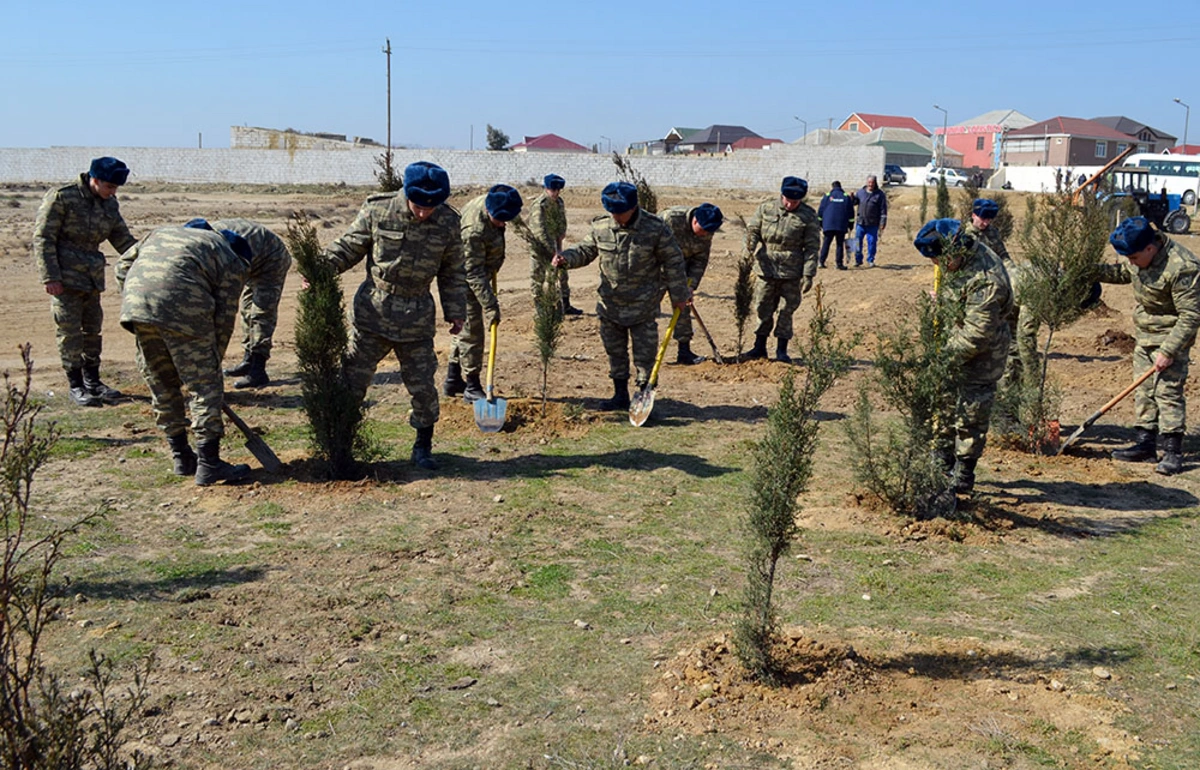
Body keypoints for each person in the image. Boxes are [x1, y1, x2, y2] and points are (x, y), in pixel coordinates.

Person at [321, 161, 467, 471]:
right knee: (351, 383)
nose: (424, 212)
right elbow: (350, 245)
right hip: (373, 313)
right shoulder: (379, 209)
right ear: (406, 193)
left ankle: (423, 446)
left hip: (416, 318)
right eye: (419, 205)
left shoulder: (449, 222)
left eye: (432, 206)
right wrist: (321, 268)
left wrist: (456, 312)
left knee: (423, 387)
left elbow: (452, 272)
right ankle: (342, 445)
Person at [115, 222, 253, 486]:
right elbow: (224, 317)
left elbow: (122, 267)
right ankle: (209, 465)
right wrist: (210, 364)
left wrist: (137, 303)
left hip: (138, 307)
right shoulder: (230, 258)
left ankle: (181, 456)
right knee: (204, 387)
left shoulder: (161, 232)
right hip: (184, 307)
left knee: (162, 381)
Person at [551, 181, 691, 411]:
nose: (616, 217)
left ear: (633, 207)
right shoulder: (602, 226)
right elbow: (585, 251)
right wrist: (566, 258)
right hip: (610, 305)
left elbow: (673, 261)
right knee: (615, 352)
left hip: (643, 305)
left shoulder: (655, 228)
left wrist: (679, 294)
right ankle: (619, 395)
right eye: (612, 212)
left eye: (620, 212)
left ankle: (645, 394)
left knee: (645, 355)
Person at [913, 218, 1013, 494]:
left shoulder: (986, 281)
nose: (937, 267)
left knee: (972, 409)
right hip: (954, 338)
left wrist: (941, 360)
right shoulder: (959, 258)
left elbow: (976, 335)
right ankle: (941, 459)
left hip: (985, 352)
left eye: (939, 261)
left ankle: (964, 471)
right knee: (943, 401)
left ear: (955, 252)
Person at [1097, 216, 1200, 475]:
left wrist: (1168, 351)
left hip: (1171, 336)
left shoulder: (1182, 267)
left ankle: (1172, 452)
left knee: (1167, 392)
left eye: (1133, 257)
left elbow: (1191, 316)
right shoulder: (1139, 256)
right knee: (1144, 391)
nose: (1131, 263)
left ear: (1150, 248)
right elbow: (1123, 273)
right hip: (1144, 335)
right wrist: (1088, 270)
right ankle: (1145, 445)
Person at [33, 156, 138, 407]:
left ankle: (93, 382)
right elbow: (44, 238)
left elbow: (122, 240)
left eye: (115, 188)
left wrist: (148, 257)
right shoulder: (62, 198)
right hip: (65, 278)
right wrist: (50, 277)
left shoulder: (109, 205)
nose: (112, 192)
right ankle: (76, 385)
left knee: (93, 331)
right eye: (109, 187)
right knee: (69, 333)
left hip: (91, 277)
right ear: (95, 179)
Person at [443, 184, 523, 402]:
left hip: (478, 273)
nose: (503, 224)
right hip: (464, 279)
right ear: (489, 211)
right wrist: (490, 305)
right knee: (472, 331)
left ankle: (452, 379)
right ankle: (472, 385)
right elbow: (473, 273)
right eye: (499, 219)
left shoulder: (493, 202)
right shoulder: (474, 231)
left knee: (465, 330)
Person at [741, 176, 821, 363]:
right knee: (762, 307)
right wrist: (749, 249)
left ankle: (781, 351)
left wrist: (808, 274)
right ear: (781, 195)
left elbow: (812, 247)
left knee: (786, 310)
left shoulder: (808, 216)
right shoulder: (766, 208)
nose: (790, 204)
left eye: (795, 201)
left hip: (791, 272)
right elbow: (753, 230)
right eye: (787, 199)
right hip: (766, 268)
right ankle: (759, 347)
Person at [211, 218, 292, 389]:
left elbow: (225, 304)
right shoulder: (206, 241)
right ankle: (248, 360)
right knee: (247, 310)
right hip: (251, 258)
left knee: (261, 313)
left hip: (271, 259)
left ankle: (258, 370)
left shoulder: (218, 248)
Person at [661, 202, 723, 365]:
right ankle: (645, 351)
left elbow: (700, 260)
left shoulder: (707, 230)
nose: (705, 235)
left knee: (682, 308)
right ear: (695, 221)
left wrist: (691, 285)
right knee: (647, 310)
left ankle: (684, 351)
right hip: (657, 269)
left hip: (682, 271)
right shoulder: (671, 220)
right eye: (703, 230)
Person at [528, 174, 581, 315]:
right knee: (538, 278)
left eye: (558, 190)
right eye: (553, 190)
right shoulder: (540, 205)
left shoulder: (559, 202)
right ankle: (541, 309)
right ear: (546, 188)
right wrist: (552, 253)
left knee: (562, 275)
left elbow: (562, 224)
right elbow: (539, 233)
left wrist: (559, 245)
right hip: (540, 248)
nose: (556, 193)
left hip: (555, 246)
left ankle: (566, 305)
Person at [853, 174, 888, 267]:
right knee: (857, 242)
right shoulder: (860, 192)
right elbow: (855, 203)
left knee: (872, 242)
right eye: (869, 182)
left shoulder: (880, 195)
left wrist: (883, 222)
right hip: (860, 223)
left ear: (875, 183)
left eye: (872, 183)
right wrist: (852, 198)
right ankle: (858, 259)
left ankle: (870, 260)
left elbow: (883, 210)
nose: (870, 184)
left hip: (872, 224)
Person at [817, 181, 854, 270]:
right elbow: (851, 213)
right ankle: (839, 264)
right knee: (839, 244)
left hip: (828, 225)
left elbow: (821, 211)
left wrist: (820, 223)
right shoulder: (846, 197)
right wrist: (850, 225)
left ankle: (821, 262)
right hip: (841, 225)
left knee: (826, 243)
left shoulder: (827, 196)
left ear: (832, 187)